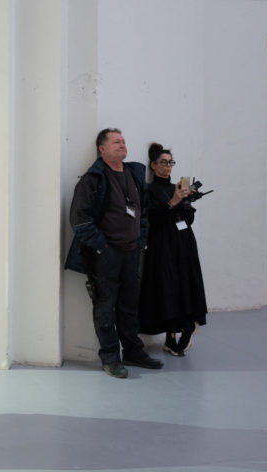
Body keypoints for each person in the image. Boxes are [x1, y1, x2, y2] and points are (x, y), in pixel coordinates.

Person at [65, 128, 163, 378]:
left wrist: (140, 241)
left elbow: (143, 212)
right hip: (106, 256)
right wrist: (103, 248)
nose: (122, 144)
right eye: (116, 142)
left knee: (129, 305)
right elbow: (80, 220)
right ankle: (110, 357)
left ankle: (133, 352)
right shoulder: (93, 179)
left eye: (123, 141)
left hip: (131, 253)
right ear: (102, 148)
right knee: (105, 307)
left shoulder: (133, 174)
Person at [138, 143, 208, 355]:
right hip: (162, 245)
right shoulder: (149, 190)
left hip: (184, 242)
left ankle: (175, 336)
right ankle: (177, 329)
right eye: (163, 162)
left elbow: (188, 219)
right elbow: (152, 219)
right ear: (153, 165)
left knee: (184, 283)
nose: (168, 166)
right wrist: (173, 201)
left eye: (170, 162)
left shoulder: (175, 187)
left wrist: (186, 201)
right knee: (166, 287)